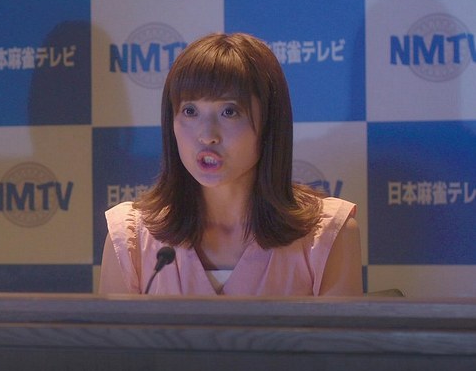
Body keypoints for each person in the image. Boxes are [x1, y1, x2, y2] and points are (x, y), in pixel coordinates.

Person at [99, 33, 362, 296]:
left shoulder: (327, 235)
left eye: (229, 112)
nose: (207, 135)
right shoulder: (131, 237)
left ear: (269, 122)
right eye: (190, 111)